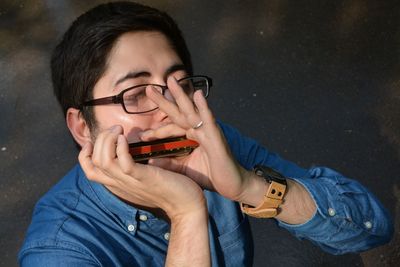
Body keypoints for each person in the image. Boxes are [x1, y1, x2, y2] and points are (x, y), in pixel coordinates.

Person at [18, 2, 393, 266]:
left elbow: (370, 229)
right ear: (82, 127)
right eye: (135, 95)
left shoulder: (207, 144)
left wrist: (249, 186)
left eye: (179, 86)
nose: (170, 113)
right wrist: (186, 213)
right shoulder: (60, 249)